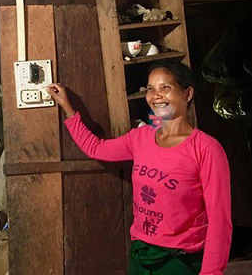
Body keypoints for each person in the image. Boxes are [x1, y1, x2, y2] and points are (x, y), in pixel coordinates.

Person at [46, 61, 232, 275]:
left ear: (187, 93)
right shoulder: (140, 138)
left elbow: (220, 220)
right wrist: (68, 108)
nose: (156, 96)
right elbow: (96, 148)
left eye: (165, 87)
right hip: (141, 255)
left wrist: (211, 272)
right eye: (150, 89)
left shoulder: (206, 149)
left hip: (179, 261)